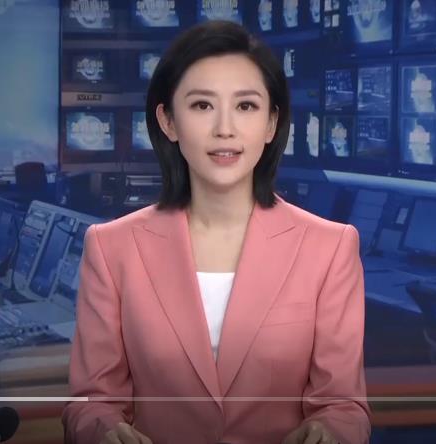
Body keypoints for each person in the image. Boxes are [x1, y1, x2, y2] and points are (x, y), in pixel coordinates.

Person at [62, 20, 371, 444]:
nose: (225, 128)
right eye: (202, 105)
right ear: (168, 122)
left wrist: (331, 430)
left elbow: (345, 407)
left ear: (271, 123)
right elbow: (91, 403)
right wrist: (102, 430)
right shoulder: (111, 247)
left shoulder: (330, 248)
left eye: (245, 106)